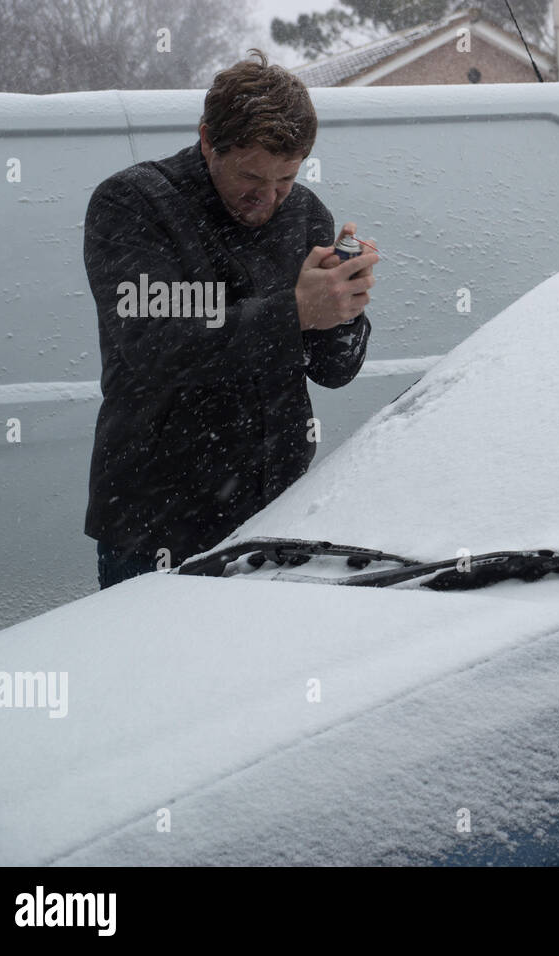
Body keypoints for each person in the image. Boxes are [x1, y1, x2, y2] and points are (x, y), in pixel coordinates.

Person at [83, 49, 378, 588]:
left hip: (278, 517)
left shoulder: (305, 213)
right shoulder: (133, 203)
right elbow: (156, 343)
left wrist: (342, 308)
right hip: (157, 524)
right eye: (250, 177)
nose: (266, 198)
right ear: (206, 139)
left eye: (285, 179)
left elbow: (334, 370)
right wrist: (294, 313)